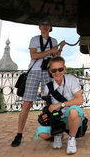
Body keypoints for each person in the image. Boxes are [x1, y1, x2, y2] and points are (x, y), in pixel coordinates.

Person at [11, 17, 65, 147]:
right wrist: (50, 51)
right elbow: (33, 56)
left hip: (47, 72)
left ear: (51, 27)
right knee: (27, 103)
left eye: (47, 24)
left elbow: (55, 57)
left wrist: (60, 49)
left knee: (50, 102)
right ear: (39, 27)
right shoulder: (34, 39)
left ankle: (52, 131)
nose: (45, 26)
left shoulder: (54, 41)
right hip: (34, 71)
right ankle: (19, 134)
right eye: (43, 24)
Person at [35, 56, 85, 155]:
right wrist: (44, 115)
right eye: (54, 70)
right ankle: (58, 134)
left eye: (60, 69)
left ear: (64, 68)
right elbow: (47, 106)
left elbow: (80, 100)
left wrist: (60, 104)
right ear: (50, 71)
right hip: (57, 118)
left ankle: (71, 139)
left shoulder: (71, 80)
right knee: (42, 134)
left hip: (71, 116)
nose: (57, 72)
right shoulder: (47, 87)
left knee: (73, 111)